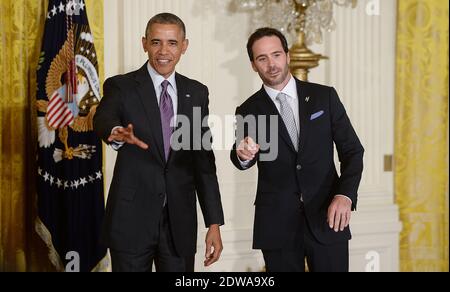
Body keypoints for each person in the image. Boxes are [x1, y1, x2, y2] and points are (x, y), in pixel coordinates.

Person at [94, 13, 224, 272]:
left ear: (184, 46)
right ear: (144, 44)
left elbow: (203, 162)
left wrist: (214, 223)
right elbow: (103, 118)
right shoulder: (121, 86)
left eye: (172, 43)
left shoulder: (196, 92)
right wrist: (116, 131)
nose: (163, 51)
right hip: (131, 221)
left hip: (179, 224)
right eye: (156, 42)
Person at [230, 28, 364, 272]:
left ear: (288, 56)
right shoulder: (248, 109)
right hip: (276, 225)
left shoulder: (325, 97)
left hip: (327, 218)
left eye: (276, 55)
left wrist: (345, 195)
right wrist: (243, 155)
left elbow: (353, 151)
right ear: (253, 65)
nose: (271, 64)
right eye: (262, 58)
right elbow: (242, 151)